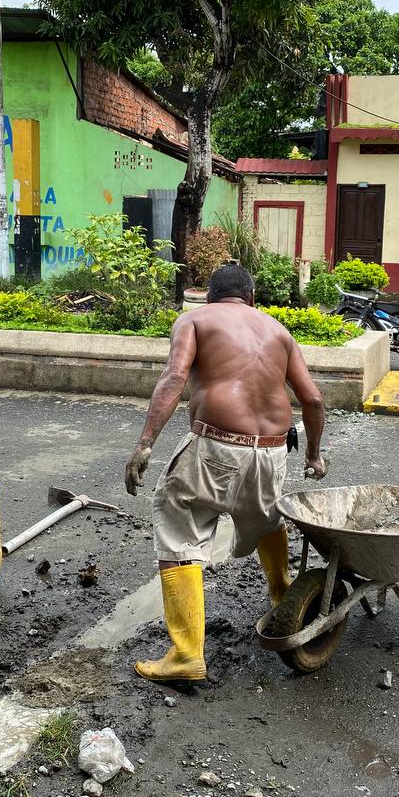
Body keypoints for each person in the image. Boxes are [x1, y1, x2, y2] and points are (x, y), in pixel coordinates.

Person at [124, 263, 327, 683]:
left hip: (216, 445)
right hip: (272, 451)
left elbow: (174, 378)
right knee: (266, 518)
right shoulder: (279, 331)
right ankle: (282, 597)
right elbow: (313, 400)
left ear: (209, 295)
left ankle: (186, 655)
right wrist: (313, 456)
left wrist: (145, 444)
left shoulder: (195, 320)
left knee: (178, 523)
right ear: (251, 297)